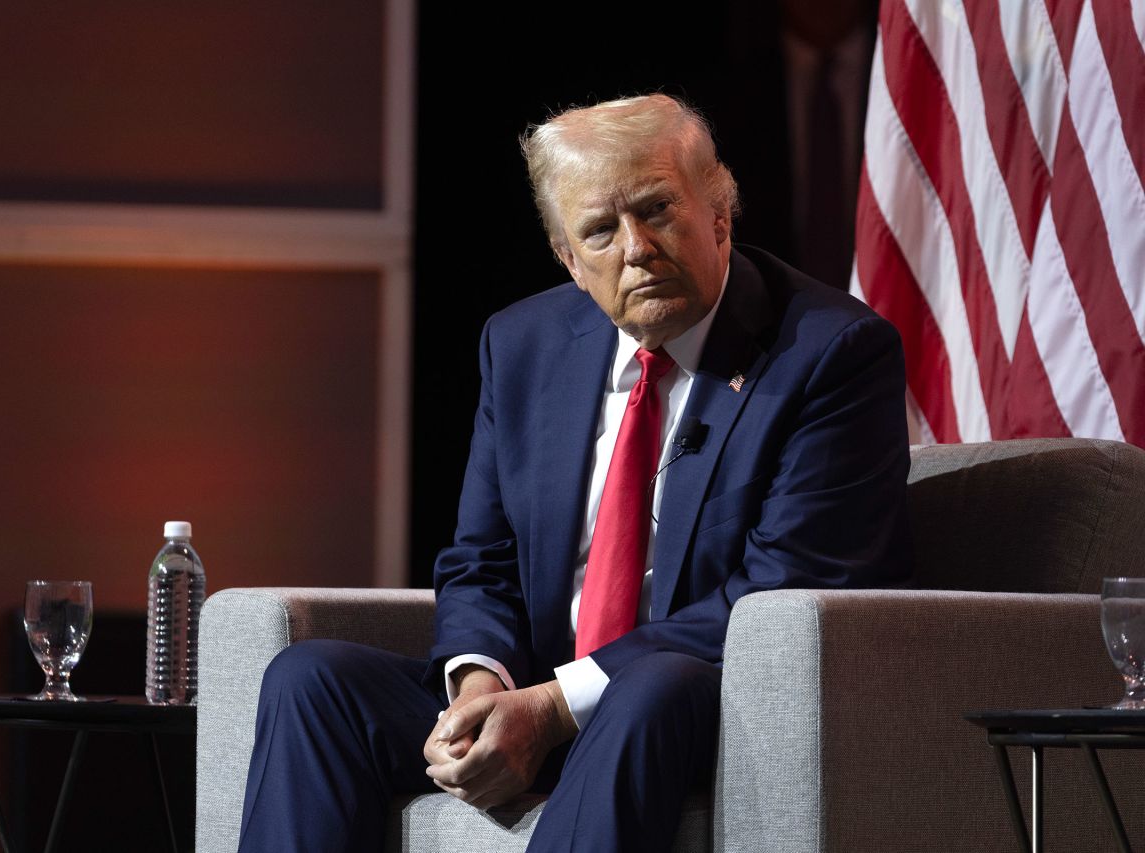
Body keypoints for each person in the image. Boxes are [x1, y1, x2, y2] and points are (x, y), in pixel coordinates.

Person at [238, 93, 912, 852]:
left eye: (658, 209)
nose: (635, 247)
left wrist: (557, 705)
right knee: (310, 680)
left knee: (652, 687)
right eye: (600, 230)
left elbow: (782, 589)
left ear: (719, 212)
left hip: (699, 705)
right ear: (568, 258)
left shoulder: (832, 355)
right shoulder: (523, 345)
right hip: (537, 690)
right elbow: (481, 559)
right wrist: (482, 688)